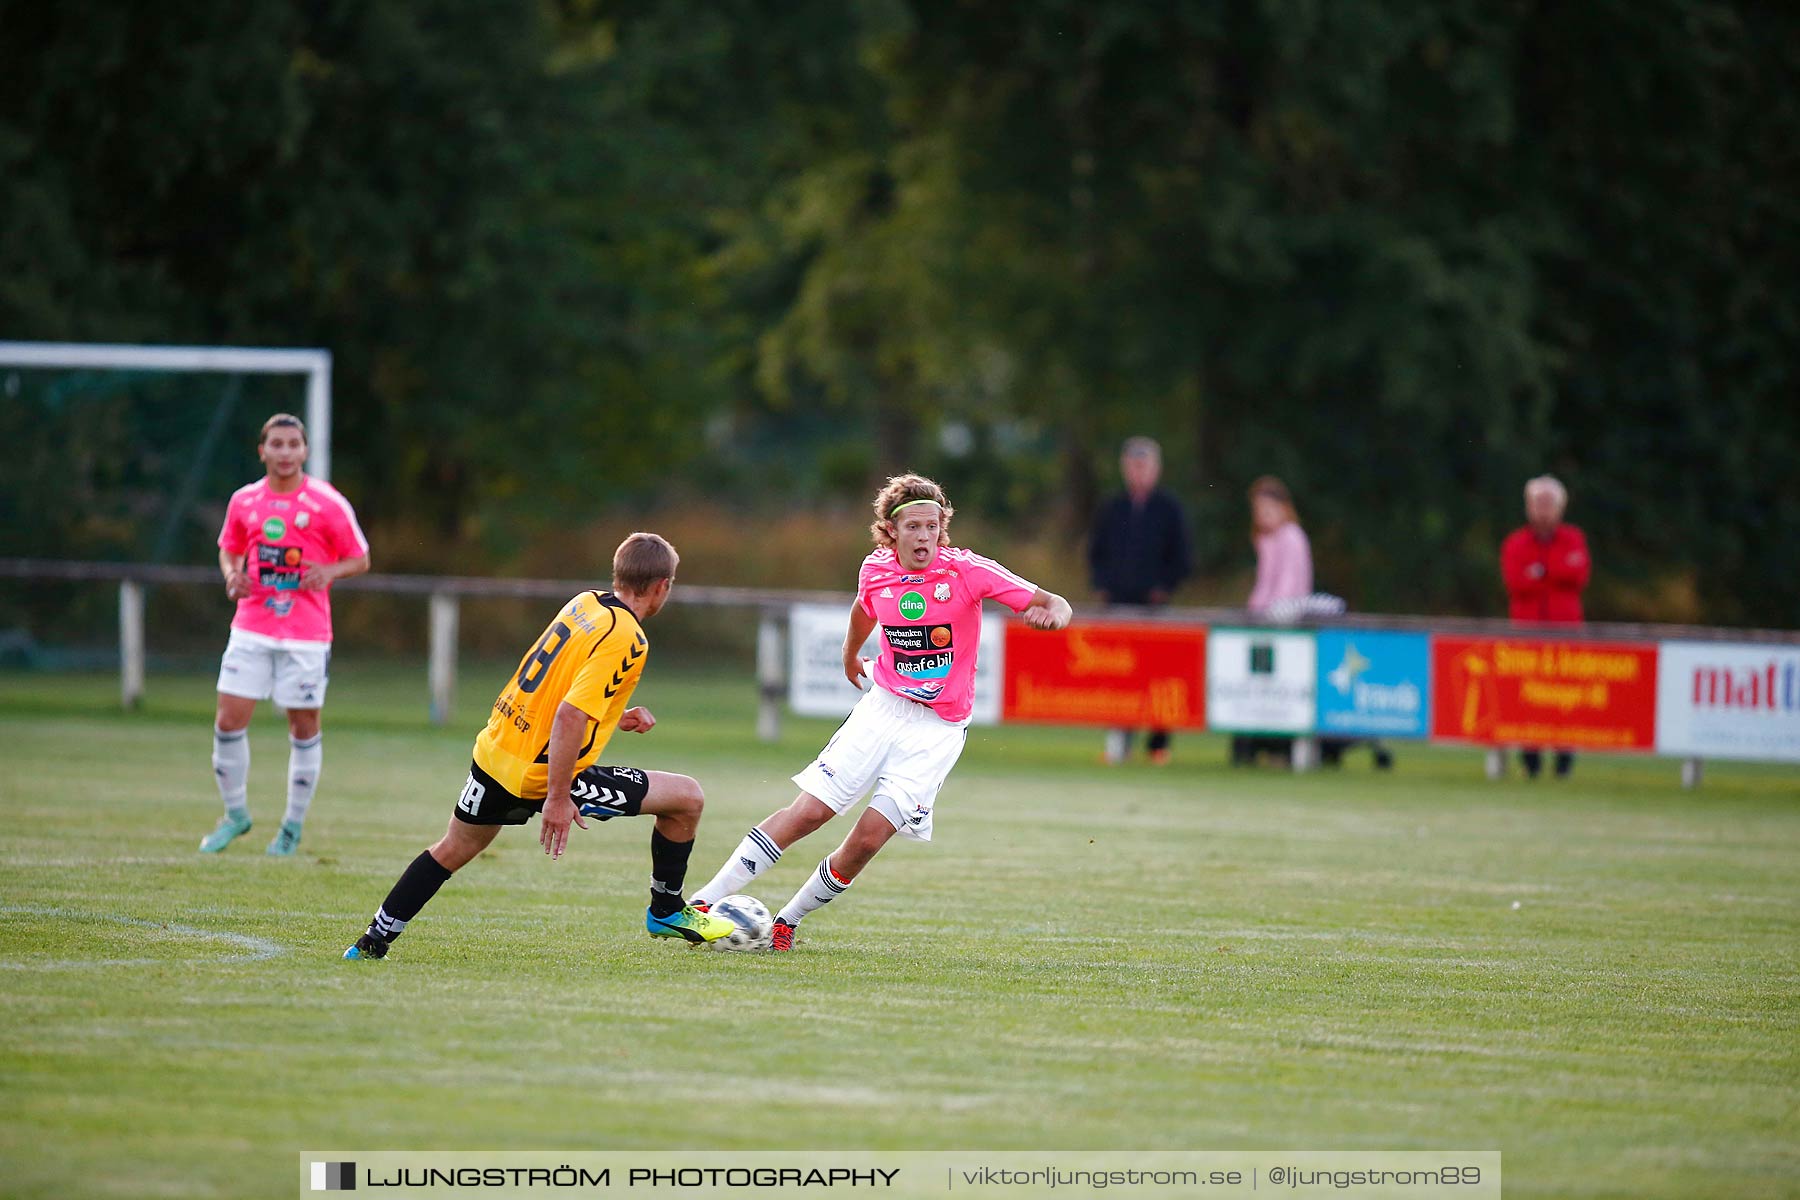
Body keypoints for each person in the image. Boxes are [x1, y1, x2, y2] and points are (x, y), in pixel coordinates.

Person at [689, 474, 1072, 952]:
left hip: (937, 731)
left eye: (932, 526)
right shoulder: (875, 570)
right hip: (882, 710)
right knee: (808, 813)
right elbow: (863, 610)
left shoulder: (967, 571)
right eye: (913, 527)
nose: (924, 537)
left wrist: (1054, 615)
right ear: (891, 531)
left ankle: (787, 922)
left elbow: (1053, 601)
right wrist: (851, 655)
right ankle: (701, 905)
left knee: (868, 840)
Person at [344, 533, 735, 959]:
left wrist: (612, 715)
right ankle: (666, 910)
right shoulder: (629, 639)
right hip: (542, 772)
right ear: (663, 586)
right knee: (687, 799)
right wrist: (557, 795)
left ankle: (371, 941)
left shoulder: (585, 603)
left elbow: (556, 685)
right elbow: (569, 715)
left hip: (496, 751)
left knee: (453, 847)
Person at [202, 413, 370, 856]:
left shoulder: (327, 503)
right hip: (251, 627)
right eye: (276, 444)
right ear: (262, 450)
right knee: (228, 720)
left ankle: (291, 827)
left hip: (305, 634)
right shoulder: (244, 501)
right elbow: (229, 548)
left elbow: (360, 558)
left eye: (293, 444)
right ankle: (235, 815)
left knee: (303, 725)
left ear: (305, 450)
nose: (285, 452)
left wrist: (329, 570)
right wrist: (230, 574)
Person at [1087, 436, 1191, 764]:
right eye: (1133, 465)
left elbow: (1183, 557)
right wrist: (1102, 585)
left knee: (1159, 675)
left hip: (1154, 609)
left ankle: (1158, 745)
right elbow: (1096, 552)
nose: (1138, 471)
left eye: (1144, 465)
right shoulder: (1113, 507)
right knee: (1120, 676)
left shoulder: (1169, 509)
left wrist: (1164, 586)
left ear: (1156, 469)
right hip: (1118, 606)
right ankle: (1120, 741)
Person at [1500, 474, 1591, 779]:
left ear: (1561, 507)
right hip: (1527, 635)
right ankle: (1530, 761)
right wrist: (1554, 573)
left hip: (1565, 634)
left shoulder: (1574, 538)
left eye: (1548, 503)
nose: (1542, 510)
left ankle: (1564, 759)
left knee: (1564, 698)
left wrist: (1542, 571)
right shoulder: (1516, 543)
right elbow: (1516, 582)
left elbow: (1577, 575)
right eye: (1537, 503)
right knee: (1528, 696)